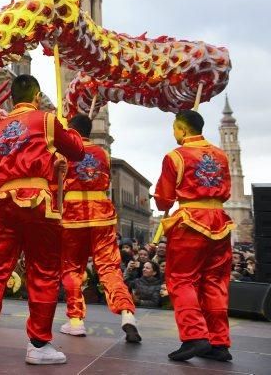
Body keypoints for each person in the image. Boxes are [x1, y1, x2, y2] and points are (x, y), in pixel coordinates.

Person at [0, 75, 84, 365]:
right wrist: (67, 131)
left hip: (2, 201)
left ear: (11, 98)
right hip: (36, 201)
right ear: (37, 95)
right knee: (42, 271)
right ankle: (39, 344)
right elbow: (77, 151)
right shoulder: (46, 119)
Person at [155, 110, 234, 362]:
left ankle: (194, 336)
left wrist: (162, 199)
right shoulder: (221, 155)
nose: (174, 133)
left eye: (174, 128)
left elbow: (163, 199)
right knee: (215, 281)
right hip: (220, 223)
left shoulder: (175, 156)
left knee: (181, 279)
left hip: (190, 223)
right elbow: (227, 190)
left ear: (182, 129)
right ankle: (219, 342)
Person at [58, 114, 140, 342]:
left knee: (72, 268)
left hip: (73, 213)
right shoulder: (103, 153)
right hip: (101, 214)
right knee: (109, 267)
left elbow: (55, 182)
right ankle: (127, 313)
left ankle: (75, 321)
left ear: (71, 130)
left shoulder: (63, 152)